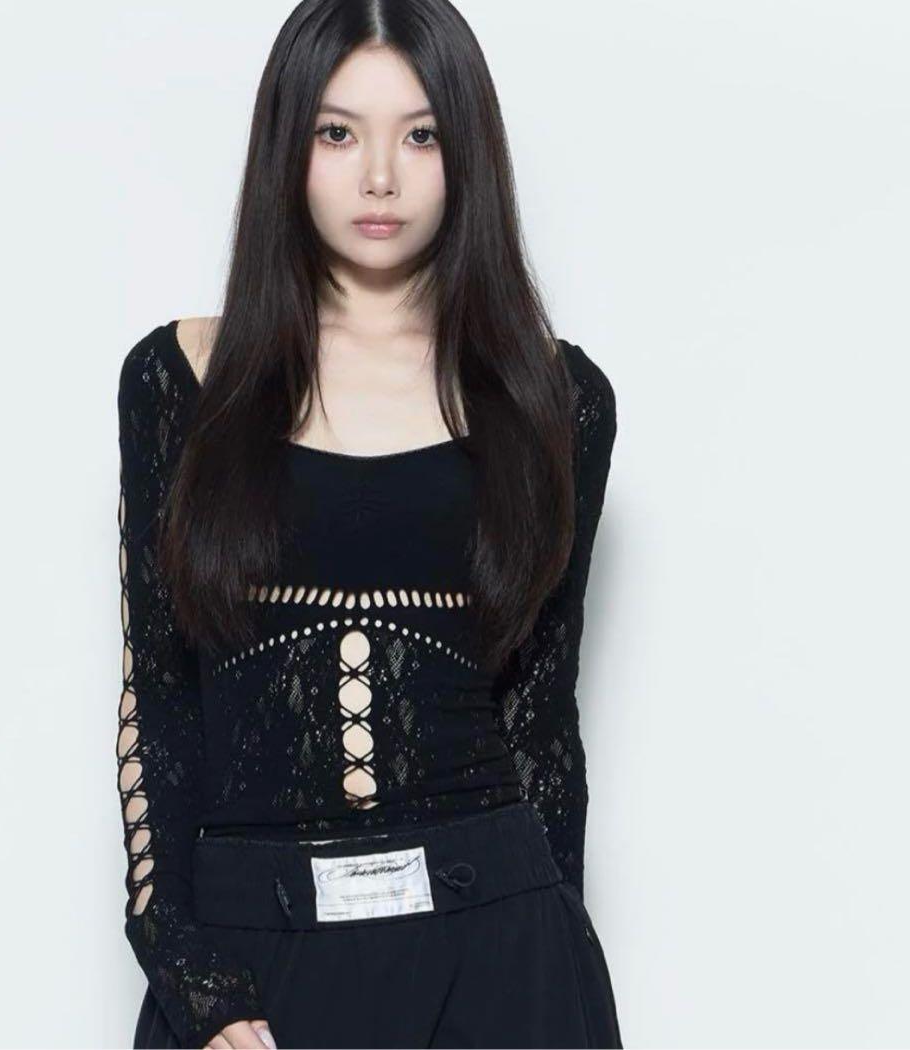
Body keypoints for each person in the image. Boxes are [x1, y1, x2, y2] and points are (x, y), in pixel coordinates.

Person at [115, 2, 622, 1047]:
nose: (380, 176)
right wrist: (190, 971)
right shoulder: (180, 380)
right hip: (251, 954)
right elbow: (160, 694)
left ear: (468, 152)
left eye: (421, 134)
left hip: (499, 944)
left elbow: (542, 718)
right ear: (286, 148)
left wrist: (557, 961)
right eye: (338, 133)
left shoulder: (554, 398)